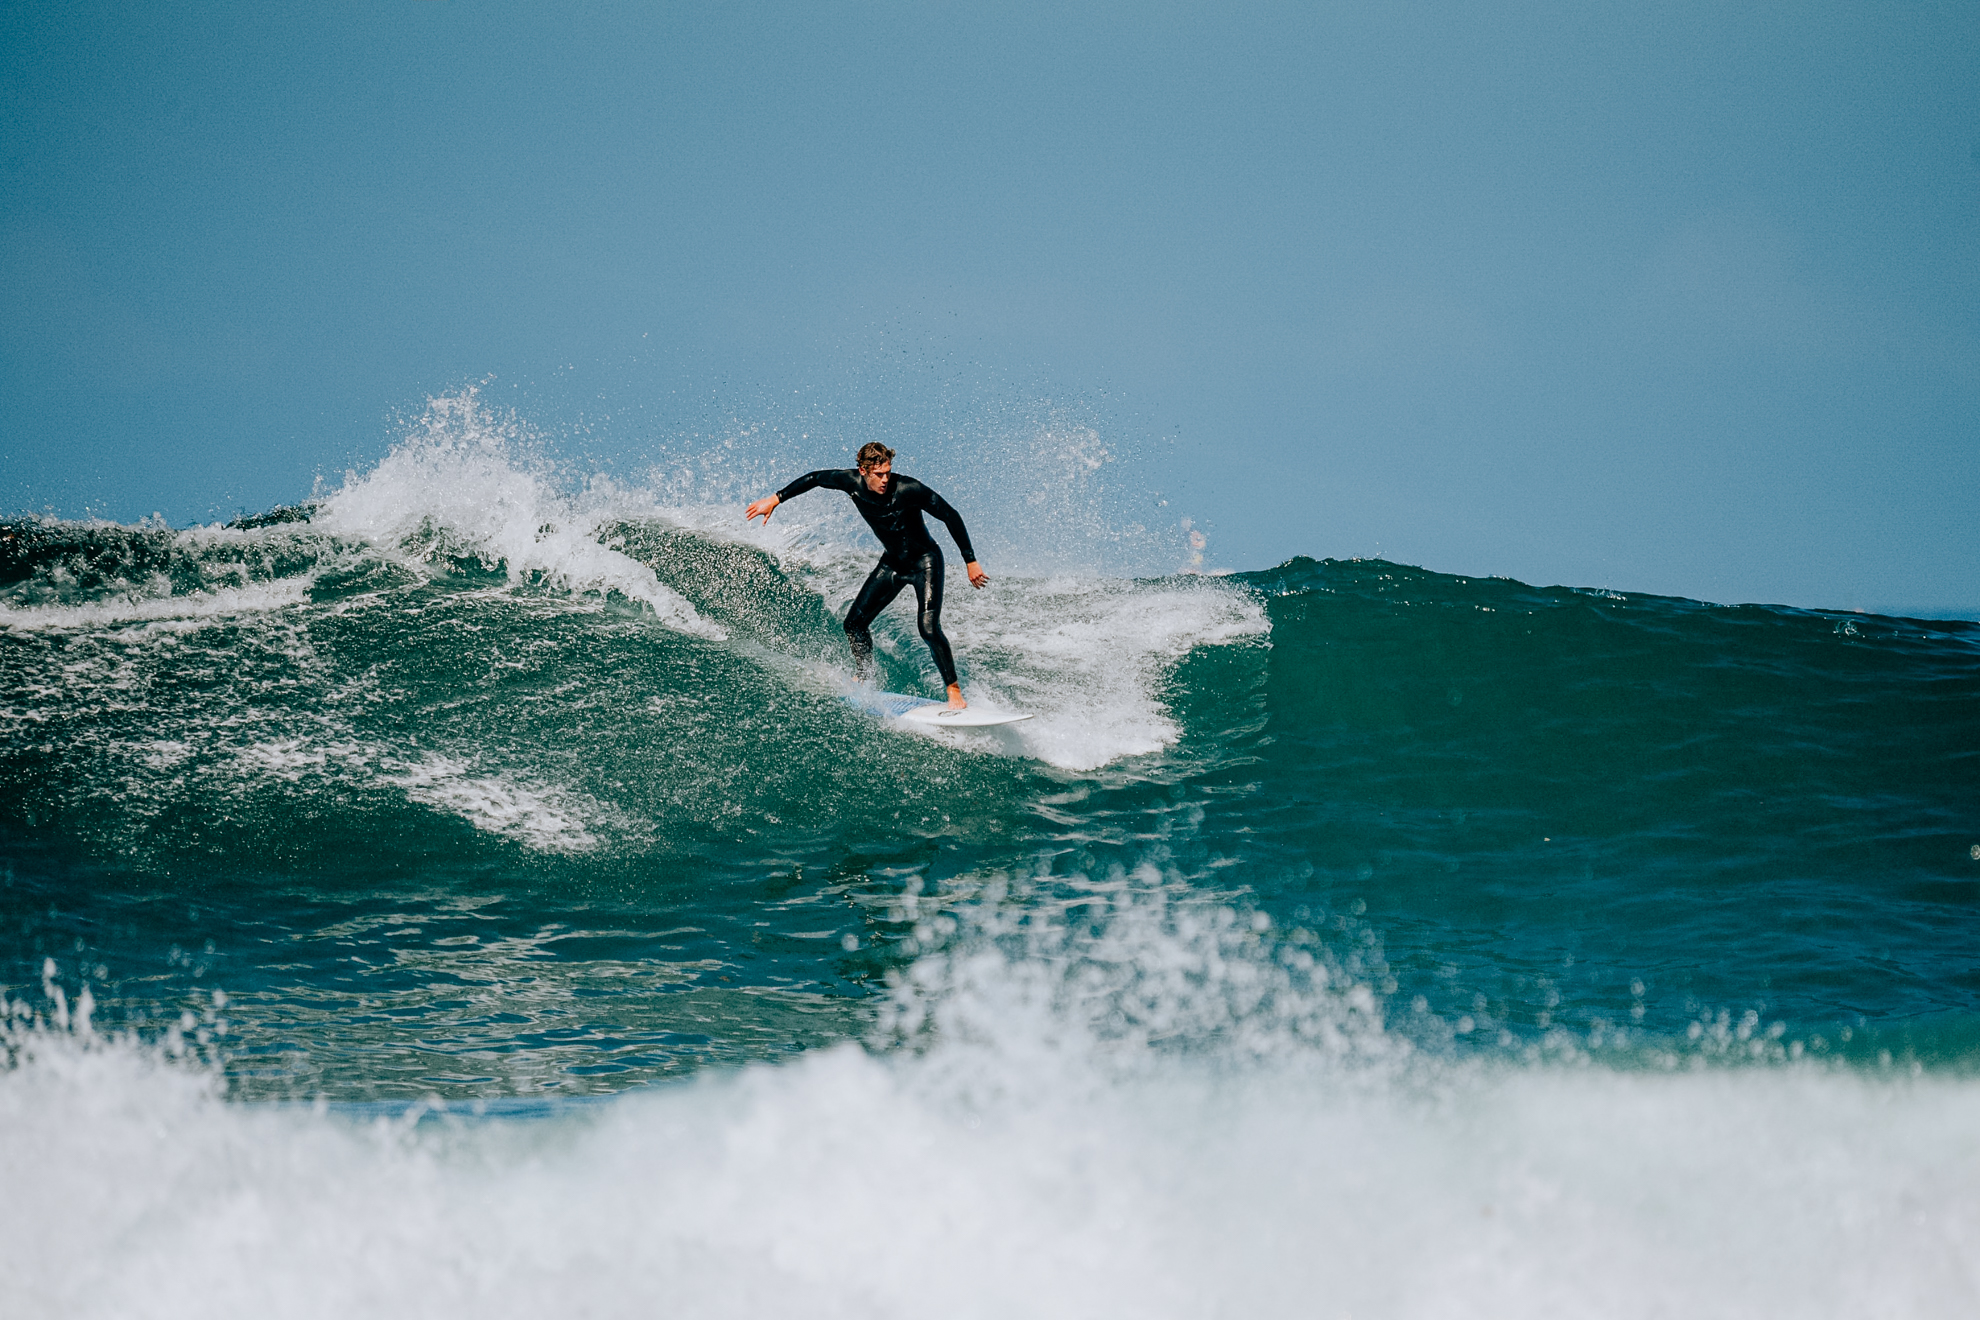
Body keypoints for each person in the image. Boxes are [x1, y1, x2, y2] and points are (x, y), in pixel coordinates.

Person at [746, 443, 988, 708]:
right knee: (854, 624)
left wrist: (970, 560)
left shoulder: (909, 489)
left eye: (888, 472)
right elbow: (815, 478)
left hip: (925, 563)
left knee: (928, 629)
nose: (885, 479)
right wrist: (776, 498)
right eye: (879, 474)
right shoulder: (850, 482)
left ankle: (953, 690)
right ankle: (864, 676)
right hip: (893, 564)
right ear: (863, 471)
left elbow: (950, 515)